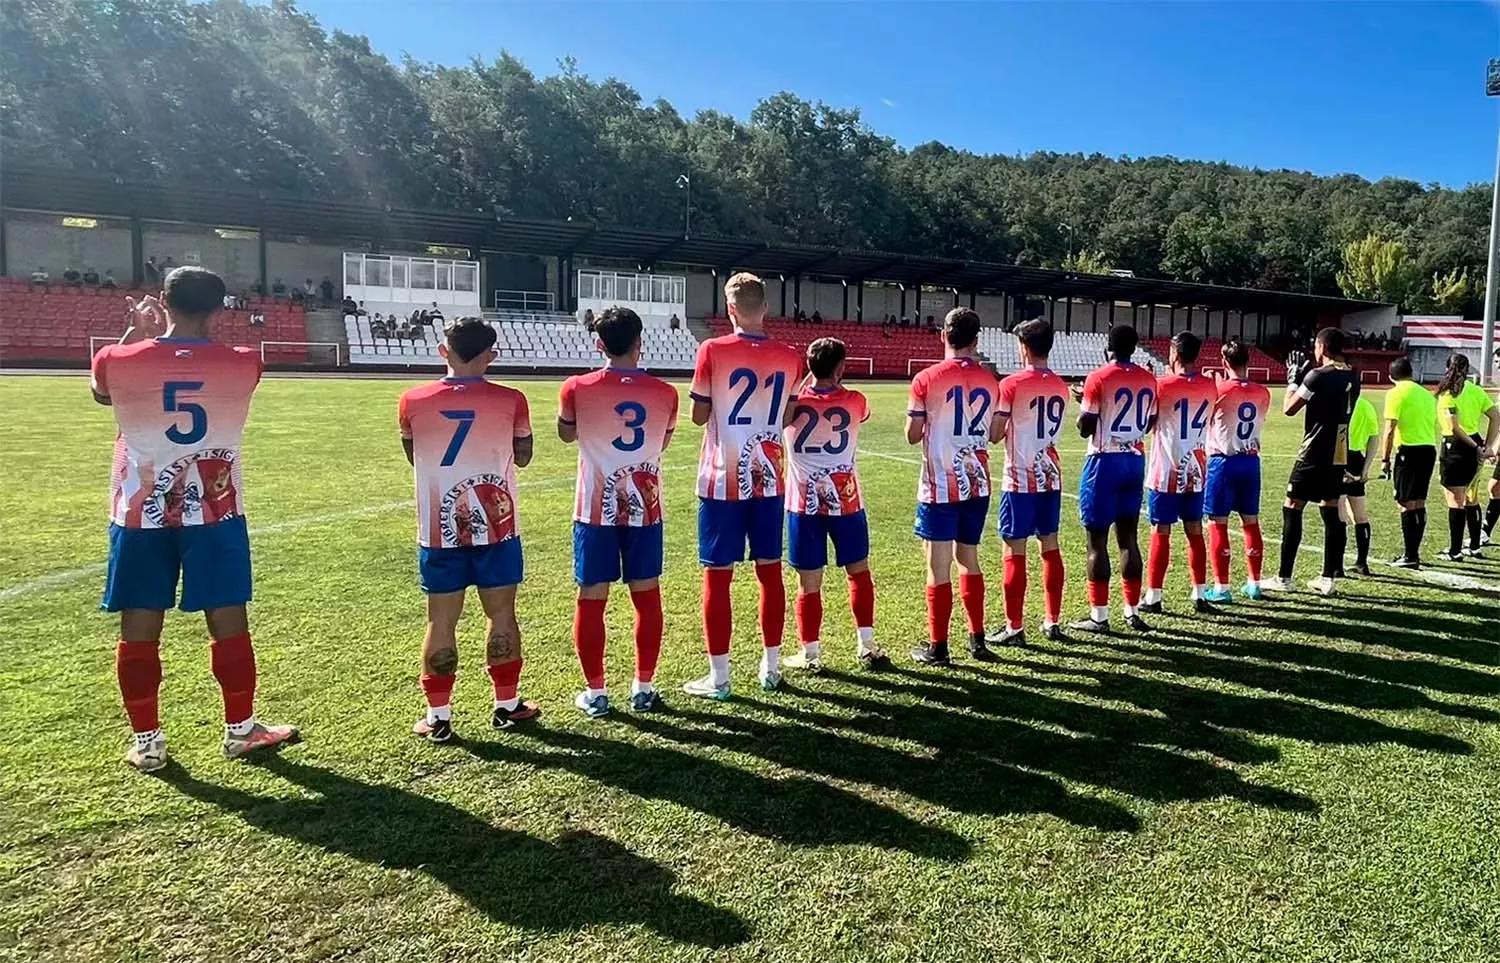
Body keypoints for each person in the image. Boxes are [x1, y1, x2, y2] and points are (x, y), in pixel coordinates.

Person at [90, 266, 298, 772]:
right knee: (228, 621)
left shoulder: (114, 359)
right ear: (221, 307)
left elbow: (100, 394)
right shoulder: (245, 362)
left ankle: (147, 741)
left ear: (162, 300)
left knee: (139, 625)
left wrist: (137, 334)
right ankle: (240, 729)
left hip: (140, 510)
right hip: (215, 507)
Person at [398, 318, 538, 742]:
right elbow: (525, 455)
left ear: (444, 351)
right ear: (491, 355)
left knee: (440, 622)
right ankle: (507, 705)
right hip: (497, 526)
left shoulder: (412, 400)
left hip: (440, 530)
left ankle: (438, 717)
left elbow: (412, 454)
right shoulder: (512, 400)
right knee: (502, 615)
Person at [686, 272, 804, 697]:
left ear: (729, 309)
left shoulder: (712, 350)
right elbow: (789, 416)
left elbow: (699, 416)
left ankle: (719, 678)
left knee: (718, 578)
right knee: (770, 574)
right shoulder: (791, 356)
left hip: (722, 479)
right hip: (770, 479)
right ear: (766, 308)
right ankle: (770, 669)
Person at [558, 306, 678, 717]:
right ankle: (643, 688)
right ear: (640, 343)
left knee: (592, 597)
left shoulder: (576, 387)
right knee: (646, 596)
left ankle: (596, 694)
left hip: (595, 508)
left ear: (598, 344)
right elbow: (661, 443)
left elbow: (565, 433)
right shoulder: (666, 393)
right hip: (645, 507)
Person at [782, 337, 886, 671]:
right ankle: (866, 644)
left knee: (808, 582)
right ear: (841, 367)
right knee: (859, 571)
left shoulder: (792, 405)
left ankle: (810, 653)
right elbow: (864, 414)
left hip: (804, 504)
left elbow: (781, 417)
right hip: (847, 501)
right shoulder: (856, 401)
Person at [907, 307, 1002, 664]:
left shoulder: (926, 378)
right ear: (977, 341)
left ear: (943, 335)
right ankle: (977, 640)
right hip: (977, 481)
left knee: (938, 565)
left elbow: (913, 435)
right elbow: (994, 435)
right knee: (970, 558)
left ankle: (938, 646)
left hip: (940, 483)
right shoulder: (992, 381)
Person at [1067, 324, 1157, 634]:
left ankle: (1099, 616)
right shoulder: (1148, 379)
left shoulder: (1099, 377)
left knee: (1096, 542)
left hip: (1104, 461)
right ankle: (1132, 612)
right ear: (1134, 347)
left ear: (1109, 348)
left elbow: (1085, 426)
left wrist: (1082, 401)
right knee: (1129, 539)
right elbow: (1152, 420)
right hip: (1134, 459)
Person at [989, 319, 1068, 645]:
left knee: (1014, 549)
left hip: (1020, 478)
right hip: (1050, 474)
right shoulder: (1062, 385)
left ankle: (1015, 627)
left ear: (1023, 347)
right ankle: (1052, 621)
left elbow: (994, 435)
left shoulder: (1011, 385)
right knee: (1050, 546)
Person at [1267, 327, 1359, 594]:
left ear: (1323, 347)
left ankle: (1284, 577)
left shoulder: (1317, 375)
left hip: (1314, 451)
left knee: (1292, 505)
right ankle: (1328, 577)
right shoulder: (1354, 374)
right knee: (1331, 509)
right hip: (1339, 451)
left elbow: (1289, 408)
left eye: (1317, 347)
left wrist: (1293, 380)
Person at [1140, 332, 1219, 614]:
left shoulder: (1160, 385)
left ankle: (1154, 596)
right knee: (1195, 531)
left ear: (1173, 354)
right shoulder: (1211, 387)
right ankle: (1199, 593)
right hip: (1196, 468)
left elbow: (1148, 424)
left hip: (1166, 468)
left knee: (1161, 530)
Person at [1203, 338, 1272, 600]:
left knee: (1217, 523)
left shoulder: (1218, 390)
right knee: (1251, 522)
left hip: (1223, 461)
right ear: (1249, 361)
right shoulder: (1263, 392)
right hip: (1250, 461)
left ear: (1224, 362)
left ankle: (1222, 587)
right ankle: (1254, 583)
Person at [1434, 353, 1500, 560]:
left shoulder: (1447, 393)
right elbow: (1495, 415)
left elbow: (1454, 427)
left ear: (1447, 368)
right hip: (1475, 443)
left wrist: (1476, 447)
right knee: (1472, 496)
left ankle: (1454, 551)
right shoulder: (1475, 390)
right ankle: (1474, 545)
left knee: (1455, 499)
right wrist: (1486, 445)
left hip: (1456, 447)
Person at [1380, 356, 1437, 569]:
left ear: (1391, 376)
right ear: (1411, 374)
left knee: (1405, 503)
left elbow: (1389, 428)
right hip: (1428, 450)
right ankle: (1414, 552)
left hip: (1408, 451)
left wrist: (1385, 459)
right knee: (1419, 502)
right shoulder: (1427, 395)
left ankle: (1410, 554)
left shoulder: (1395, 394)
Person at [1340, 390, 1380, 576]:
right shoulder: (1366, 405)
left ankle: (1335, 565)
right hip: (1358, 459)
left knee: (1338, 514)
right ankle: (1362, 562)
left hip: (1340, 458)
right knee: (1360, 515)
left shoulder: (1339, 404)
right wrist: (1365, 467)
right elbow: (1374, 437)